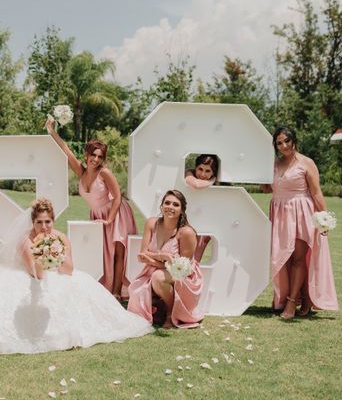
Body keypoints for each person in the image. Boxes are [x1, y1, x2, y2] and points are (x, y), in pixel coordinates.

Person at [0, 198, 153, 354]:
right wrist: (44, 252)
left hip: (58, 274)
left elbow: (68, 269)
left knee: (76, 288)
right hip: (31, 277)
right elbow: (37, 273)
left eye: (48, 222)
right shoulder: (26, 240)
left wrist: (55, 251)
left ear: (53, 221)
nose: (44, 227)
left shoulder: (59, 236)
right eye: (39, 222)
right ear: (33, 222)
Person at [45, 116, 136, 300]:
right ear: (86, 154)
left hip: (116, 213)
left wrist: (110, 219)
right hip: (97, 215)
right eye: (92, 155)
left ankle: (117, 292)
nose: (95, 159)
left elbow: (118, 197)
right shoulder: (81, 171)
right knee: (102, 252)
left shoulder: (105, 173)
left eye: (100, 156)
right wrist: (52, 131)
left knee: (119, 252)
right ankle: (105, 288)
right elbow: (66, 150)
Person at [262, 127, 338, 319]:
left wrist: (324, 218)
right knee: (283, 259)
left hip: (301, 213)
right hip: (279, 213)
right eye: (279, 143)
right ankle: (301, 298)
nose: (283, 146)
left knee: (298, 258)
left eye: (287, 141)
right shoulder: (274, 163)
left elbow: (316, 192)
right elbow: (266, 189)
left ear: (294, 141)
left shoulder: (306, 163)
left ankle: (291, 302)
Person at [127, 190, 204, 329]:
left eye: (176, 204)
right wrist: (163, 257)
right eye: (167, 203)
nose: (170, 207)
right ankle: (158, 309)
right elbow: (142, 254)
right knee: (136, 291)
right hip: (157, 269)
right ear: (161, 206)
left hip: (185, 276)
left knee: (157, 278)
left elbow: (181, 268)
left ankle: (170, 313)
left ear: (182, 210)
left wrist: (151, 260)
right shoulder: (152, 223)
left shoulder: (186, 232)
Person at [184, 154, 220, 262]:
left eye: (208, 171)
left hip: (204, 223)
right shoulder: (188, 172)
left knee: (195, 259)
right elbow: (196, 184)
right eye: (200, 169)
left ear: (214, 171)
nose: (203, 174)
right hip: (188, 223)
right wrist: (212, 180)